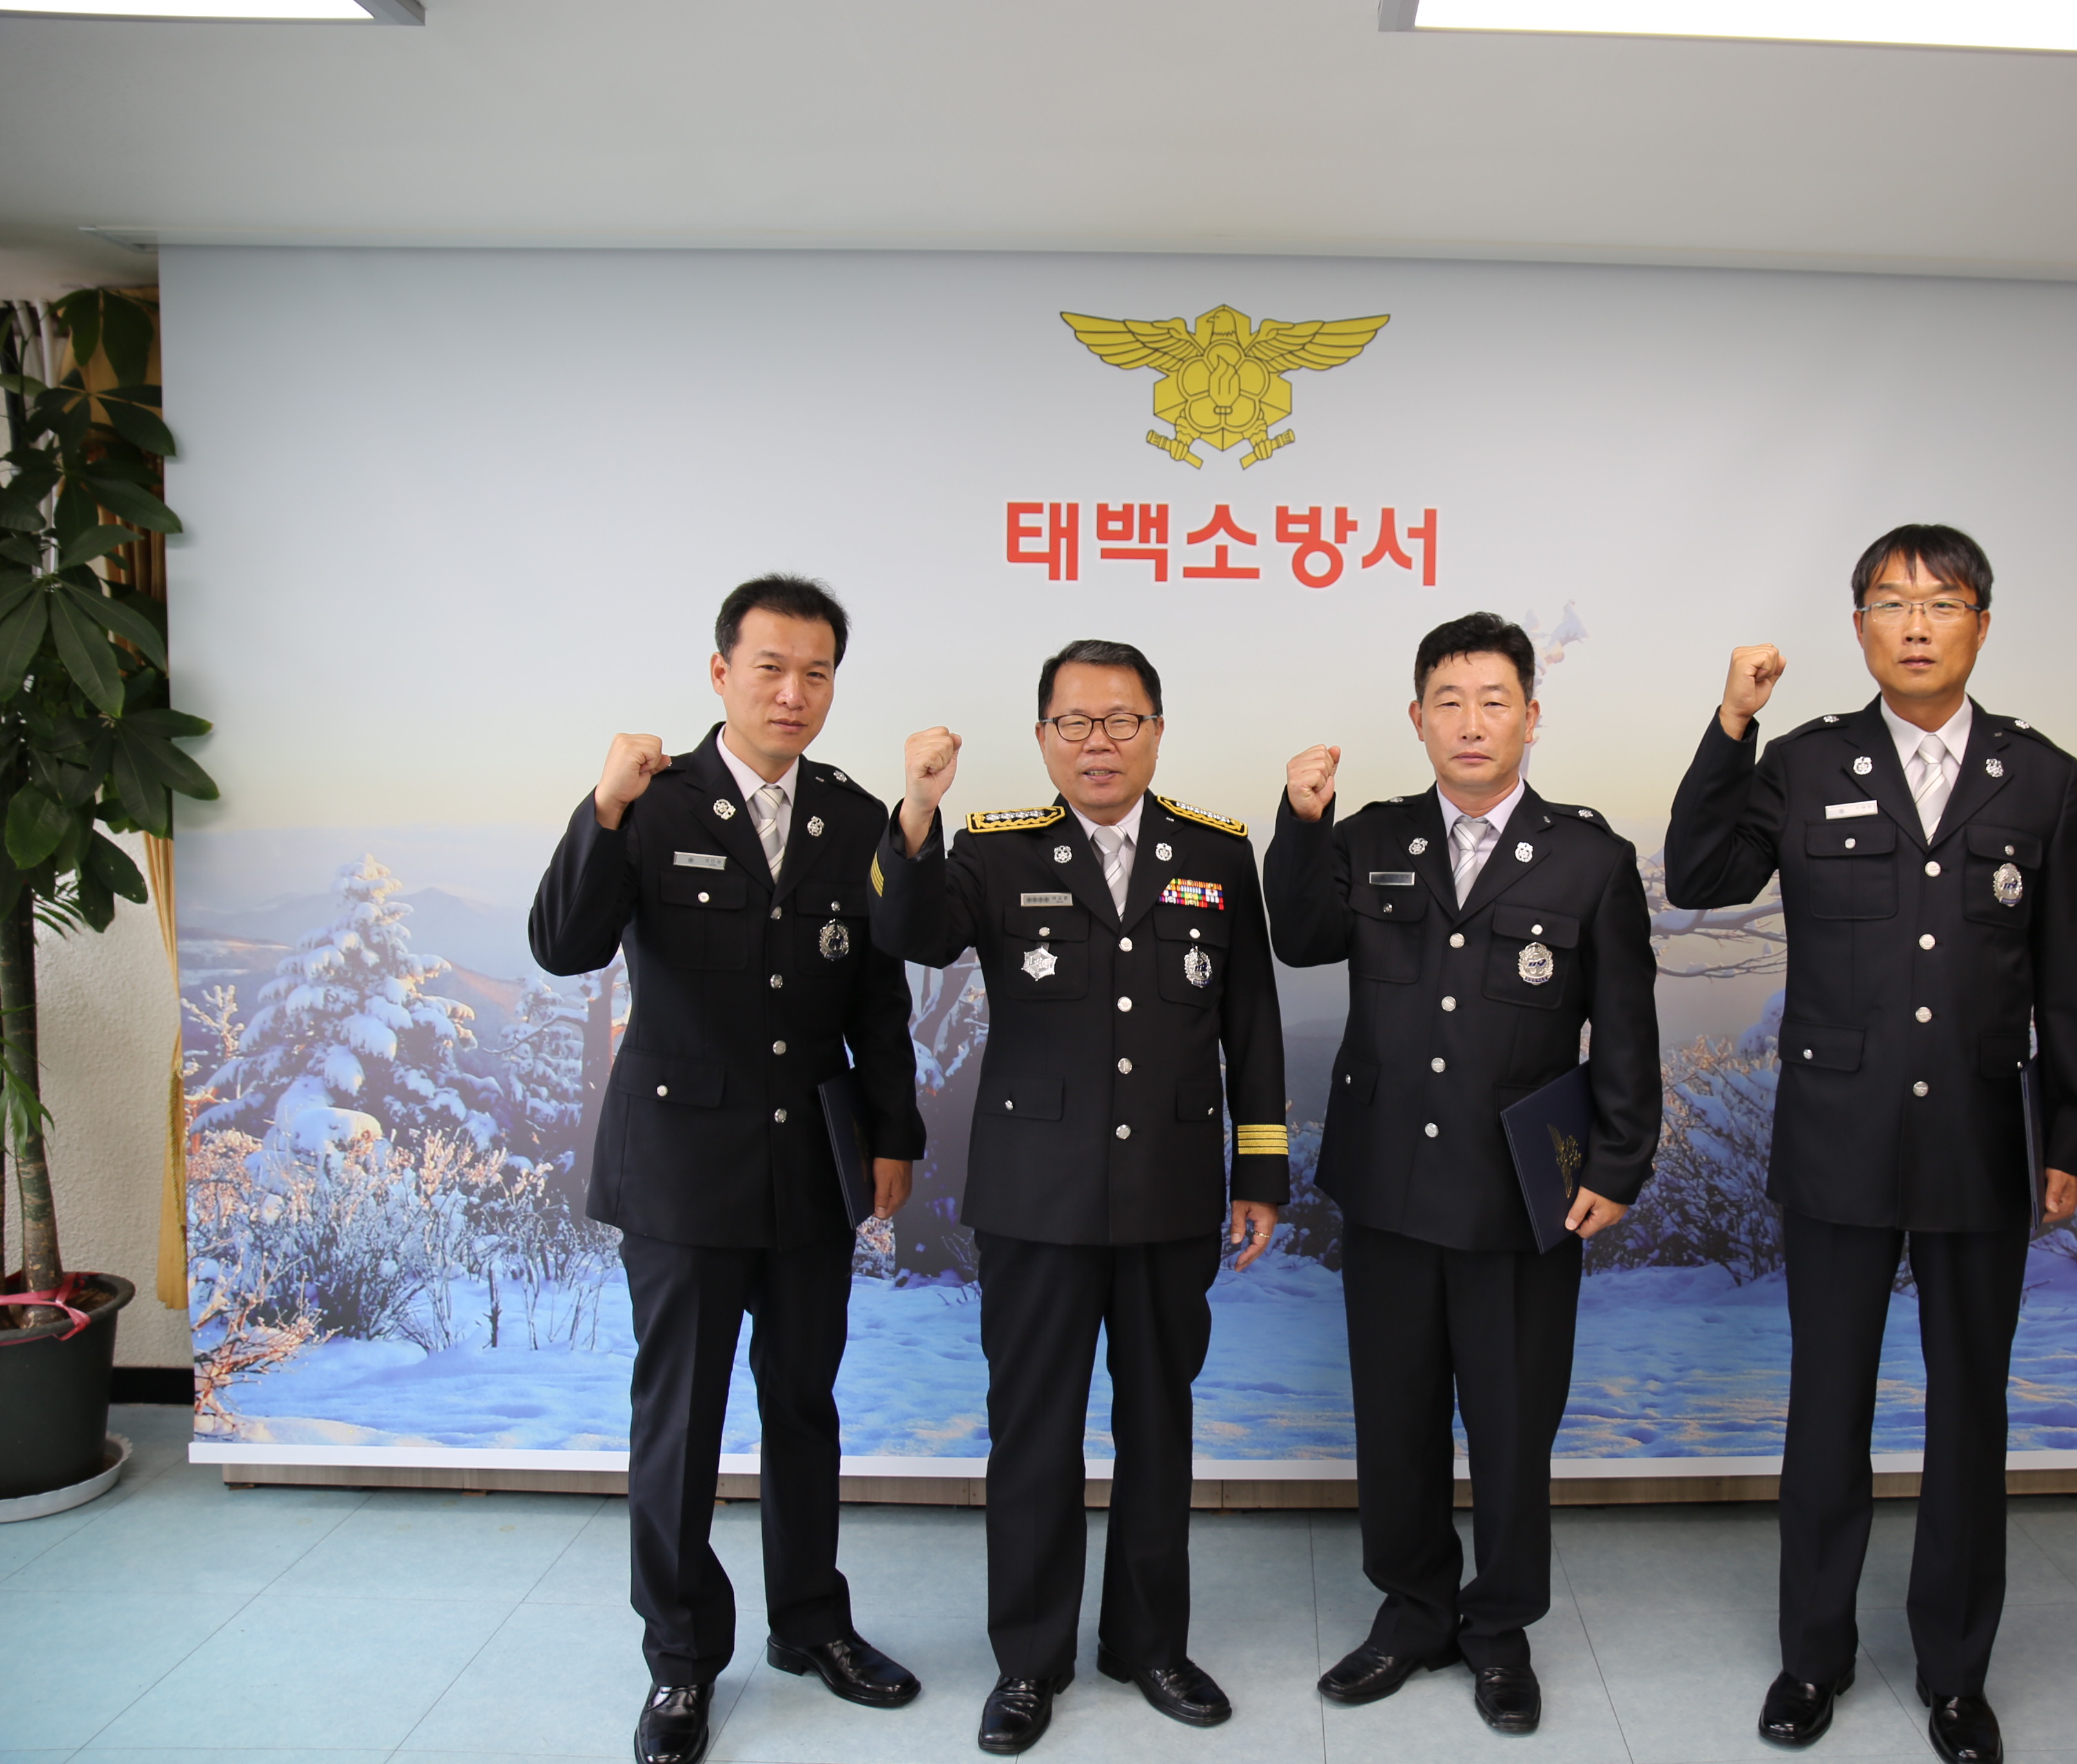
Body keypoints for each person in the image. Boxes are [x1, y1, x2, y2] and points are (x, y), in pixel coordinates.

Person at [1663, 525, 2077, 1764]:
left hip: (1981, 1135)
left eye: (1942, 602)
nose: (1916, 624)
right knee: (1828, 1407)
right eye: (1892, 602)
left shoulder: (2040, 776)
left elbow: (2066, 971)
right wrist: (1733, 722)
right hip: (1839, 1137)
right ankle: (1814, 1658)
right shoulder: (1804, 762)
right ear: (1857, 626)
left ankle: (1956, 1676)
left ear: (1981, 625)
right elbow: (1697, 874)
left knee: (1970, 1413)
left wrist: (2072, 1133)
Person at [529, 574, 929, 1764]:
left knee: (803, 1406)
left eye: (816, 673)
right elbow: (562, 945)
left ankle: (811, 1625)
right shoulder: (650, 805)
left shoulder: (852, 819)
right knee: (682, 1421)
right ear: (722, 674)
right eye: (770, 668)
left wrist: (893, 1137)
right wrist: (600, 808)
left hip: (811, 1164)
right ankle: (681, 1662)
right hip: (681, 1169)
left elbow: (878, 999)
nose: (793, 692)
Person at [871, 638, 1289, 1756]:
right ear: (1044, 736)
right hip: (1035, 1201)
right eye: (1075, 723)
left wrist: (1259, 1169)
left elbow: (1250, 1020)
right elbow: (910, 934)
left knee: (1159, 1426)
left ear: (1157, 729)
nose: (1098, 743)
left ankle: (1150, 1645)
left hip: (1168, 1192)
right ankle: (1028, 1662)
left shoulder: (1217, 852)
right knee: (1035, 1432)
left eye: (1121, 720)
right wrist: (917, 810)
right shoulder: (992, 849)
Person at [1264, 611, 1660, 1736]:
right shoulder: (1371, 835)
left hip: (1522, 1190)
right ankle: (1413, 1612)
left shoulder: (1590, 859)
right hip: (1388, 1179)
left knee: (1512, 1421)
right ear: (1418, 719)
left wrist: (1619, 1162)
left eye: (1495, 700)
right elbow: (1300, 934)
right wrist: (1302, 821)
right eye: (1449, 701)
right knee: (1395, 1415)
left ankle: (1499, 1629)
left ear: (1533, 715)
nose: (1472, 722)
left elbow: (1625, 1028)